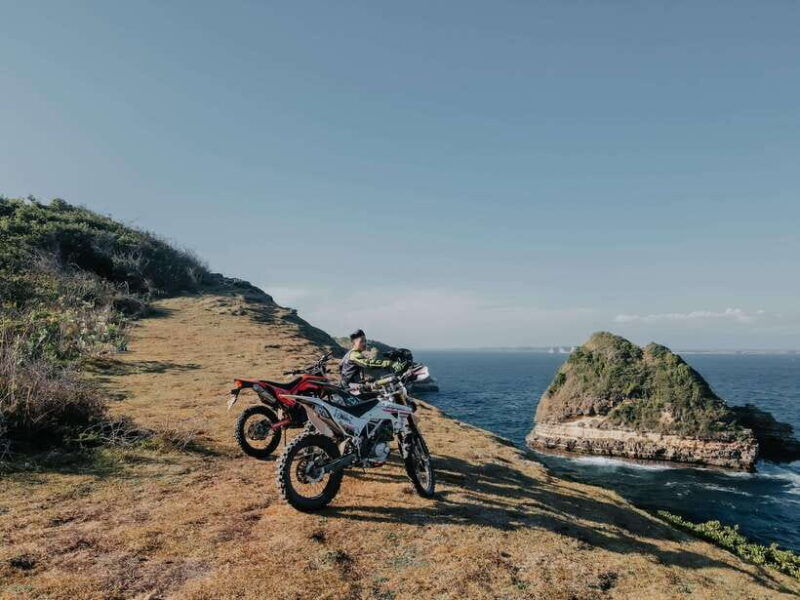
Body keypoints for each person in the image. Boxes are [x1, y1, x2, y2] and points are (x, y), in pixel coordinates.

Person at [339, 329, 404, 388]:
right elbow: (368, 363)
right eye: (361, 341)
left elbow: (341, 366)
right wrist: (389, 363)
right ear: (354, 343)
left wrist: (364, 380)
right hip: (350, 386)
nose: (364, 343)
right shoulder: (354, 354)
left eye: (365, 341)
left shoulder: (350, 354)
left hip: (349, 384)